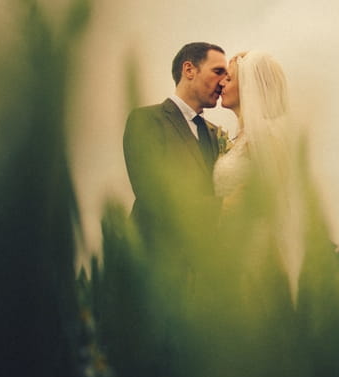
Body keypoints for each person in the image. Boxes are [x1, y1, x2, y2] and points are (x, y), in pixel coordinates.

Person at [123, 42, 227, 258]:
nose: (224, 81)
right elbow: (152, 194)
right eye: (218, 72)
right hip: (155, 259)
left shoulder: (216, 134)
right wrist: (225, 206)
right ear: (189, 70)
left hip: (205, 266)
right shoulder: (146, 120)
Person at [215, 50, 302, 303]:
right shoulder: (242, 139)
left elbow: (270, 197)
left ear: (249, 88)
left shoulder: (268, 137)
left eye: (229, 79)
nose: (221, 83)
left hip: (256, 254)